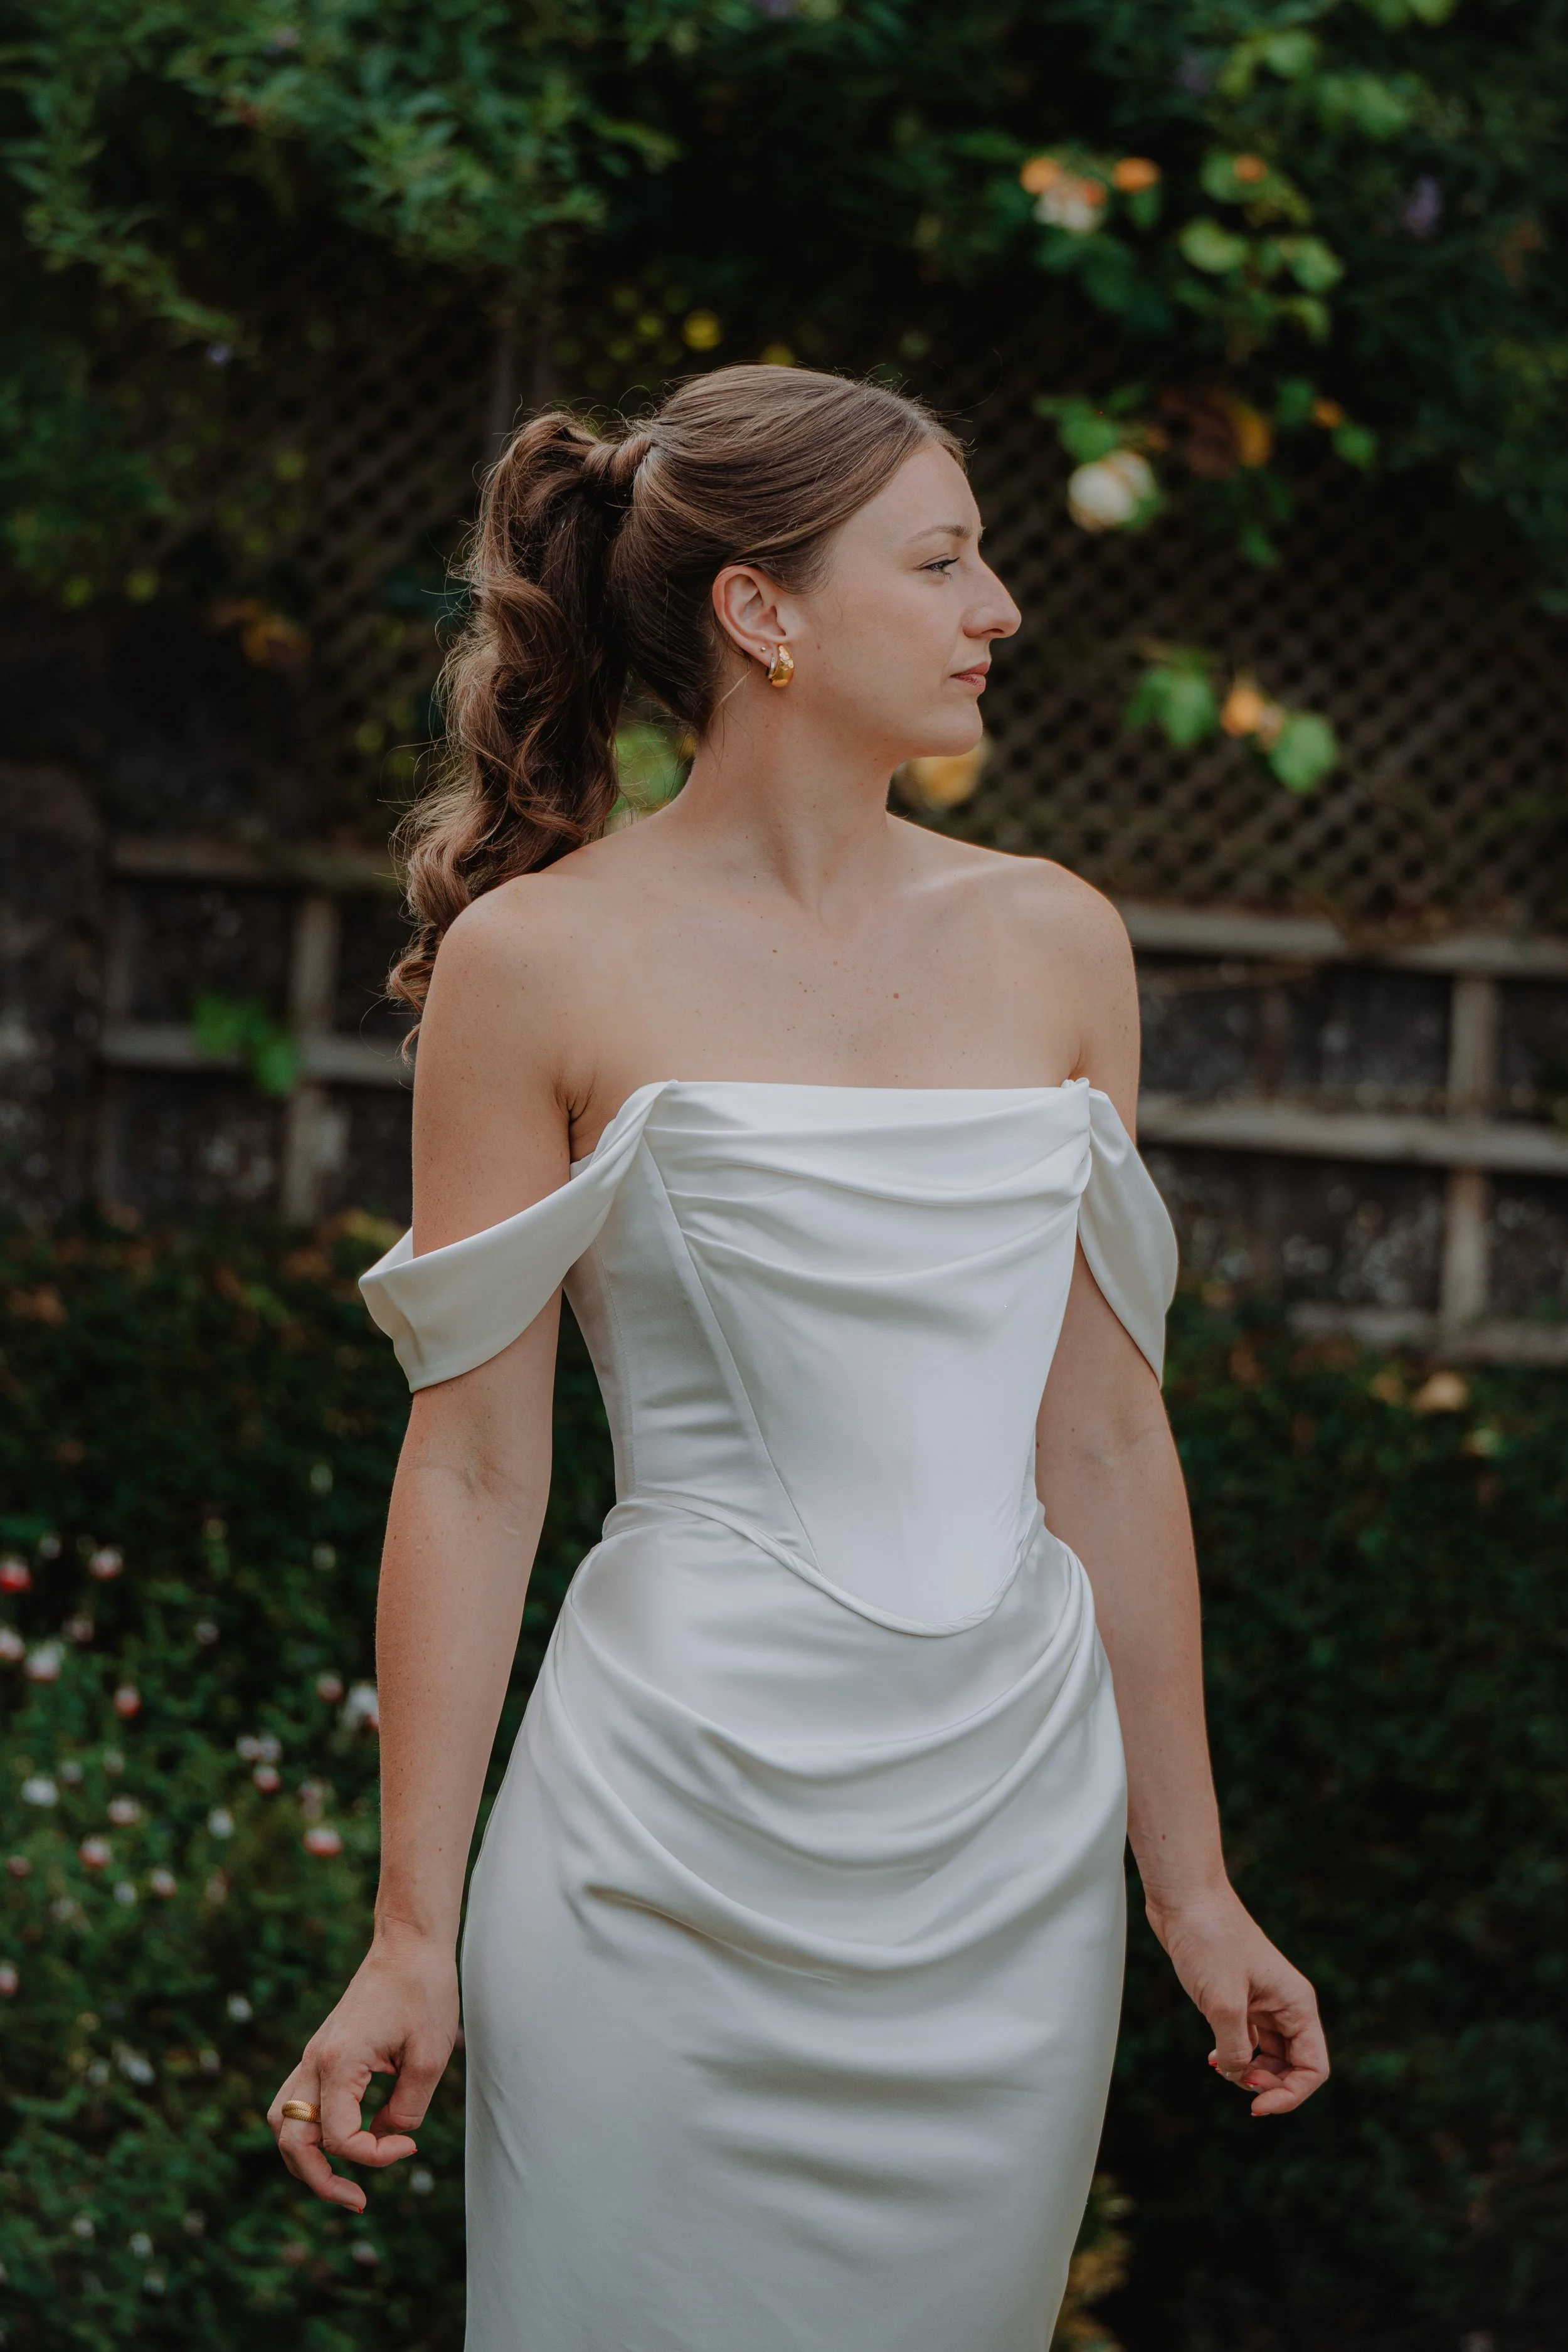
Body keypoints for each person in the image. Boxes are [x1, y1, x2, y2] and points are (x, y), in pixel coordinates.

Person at [268, 365, 1328, 2350]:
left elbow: (1105, 1440)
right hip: (656, 1843)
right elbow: (478, 1469)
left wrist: (1191, 1888)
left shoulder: (1059, 941)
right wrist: (412, 1931)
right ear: (760, 610)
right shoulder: (534, 960)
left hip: (1005, 1861)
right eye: (938, 563)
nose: (997, 608)